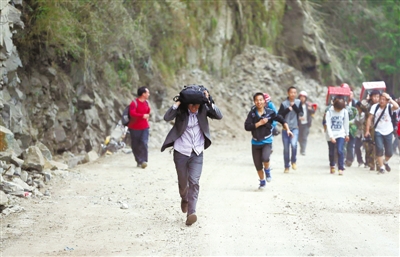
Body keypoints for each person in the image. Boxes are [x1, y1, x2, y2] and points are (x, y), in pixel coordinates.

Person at [161, 88, 223, 226]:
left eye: (197, 105)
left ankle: (191, 212)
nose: (194, 108)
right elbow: (167, 117)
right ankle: (184, 198)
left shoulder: (203, 109)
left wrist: (209, 100)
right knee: (183, 183)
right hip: (181, 151)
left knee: (194, 182)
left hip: (197, 152)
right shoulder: (181, 110)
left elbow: (219, 116)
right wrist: (177, 103)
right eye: (192, 105)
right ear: (187, 104)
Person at [245, 92, 293, 189]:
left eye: (261, 100)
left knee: (265, 158)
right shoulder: (252, 113)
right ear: (254, 102)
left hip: (267, 141)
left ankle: (267, 170)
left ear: (264, 101)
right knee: (258, 165)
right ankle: (262, 181)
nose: (259, 102)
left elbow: (282, 120)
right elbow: (247, 126)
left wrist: (287, 129)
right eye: (257, 100)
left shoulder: (270, 112)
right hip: (255, 142)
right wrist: (259, 123)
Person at [365, 92, 399, 174]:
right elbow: (369, 118)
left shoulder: (389, 107)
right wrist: (367, 130)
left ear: (387, 101)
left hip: (388, 131)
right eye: (380, 99)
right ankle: (382, 167)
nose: (381, 101)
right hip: (378, 131)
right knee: (379, 149)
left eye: (384, 100)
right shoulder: (374, 107)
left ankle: (385, 162)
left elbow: (397, 106)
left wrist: (390, 99)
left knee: (389, 152)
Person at [278, 86, 303, 173]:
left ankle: (293, 161)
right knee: (286, 148)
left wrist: (295, 107)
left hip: (295, 128)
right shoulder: (284, 104)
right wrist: (287, 110)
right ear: (288, 93)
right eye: (291, 92)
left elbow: (301, 113)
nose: (293, 94)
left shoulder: (298, 102)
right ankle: (286, 166)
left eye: (294, 92)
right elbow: (279, 115)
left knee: (294, 145)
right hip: (285, 129)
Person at [325, 98, 349, 175]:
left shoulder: (345, 112)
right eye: (337, 109)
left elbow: (346, 123)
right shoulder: (329, 112)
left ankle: (341, 168)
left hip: (340, 133)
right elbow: (328, 125)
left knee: (340, 150)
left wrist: (347, 134)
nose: (339, 111)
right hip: (330, 134)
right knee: (331, 152)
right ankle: (332, 165)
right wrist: (331, 136)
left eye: (340, 109)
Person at [128, 86, 151, 168]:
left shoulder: (147, 103)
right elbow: (132, 113)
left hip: (145, 127)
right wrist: (142, 116)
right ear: (143, 94)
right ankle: (139, 160)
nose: (149, 94)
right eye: (147, 92)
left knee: (144, 142)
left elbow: (148, 113)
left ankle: (144, 160)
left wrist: (146, 118)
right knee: (135, 145)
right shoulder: (134, 103)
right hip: (134, 127)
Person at [360, 90, 381, 171]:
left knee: (378, 146)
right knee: (368, 147)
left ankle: (378, 164)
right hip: (368, 128)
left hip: (378, 127)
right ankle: (371, 163)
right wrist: (367, 99)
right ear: (371, 97)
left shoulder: (381, 105)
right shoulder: (368, 105)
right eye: (374, 96)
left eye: (378, 97)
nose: (376, 98)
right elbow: (362, 105)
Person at [298, 91, 315, 155]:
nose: (302, 99)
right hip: (299, 124)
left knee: (304, 137)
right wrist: (298, 118)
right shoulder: (297, 105)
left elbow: (313, 112)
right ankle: (301, 147)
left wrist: (310, 109)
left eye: (303, 97)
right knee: (299, 138)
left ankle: (303, 150)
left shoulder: (308, 105)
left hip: (306, 124)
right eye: (301, 97)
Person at [354, 101, 366, 167]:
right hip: (358, 133)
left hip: (364, 132)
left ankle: (368, 162)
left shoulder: (364, 114)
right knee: (357, 147)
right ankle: (360, 161)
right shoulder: (357, 113)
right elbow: (354, 121)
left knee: (367, 148)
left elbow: (361, 121)